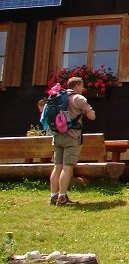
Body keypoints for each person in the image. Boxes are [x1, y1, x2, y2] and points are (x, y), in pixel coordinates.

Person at [49, 76, 96, 207]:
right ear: (76, 86)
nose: (83, 88)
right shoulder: (79, 99)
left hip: (57, 135)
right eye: (82, 86)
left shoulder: (57, 96)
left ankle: (53, 196)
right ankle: (62, 197)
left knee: (57, 166)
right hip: (72, 136)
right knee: (67, 167)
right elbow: (92, 116)